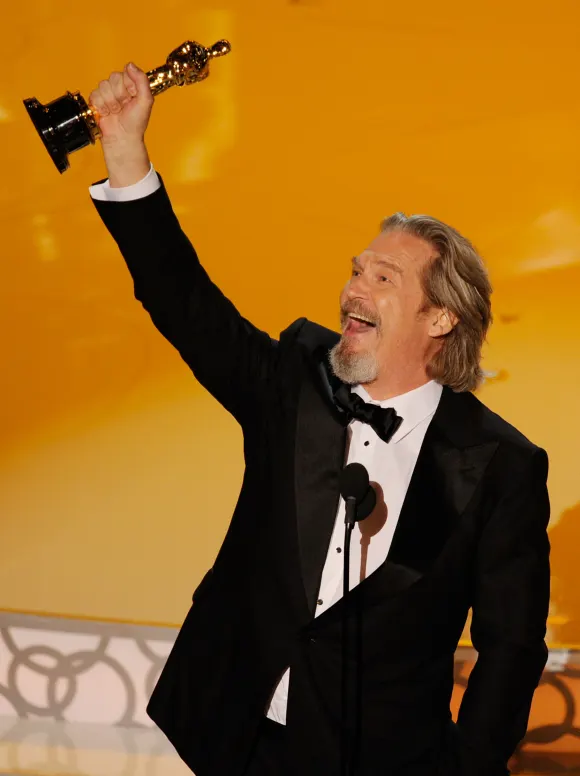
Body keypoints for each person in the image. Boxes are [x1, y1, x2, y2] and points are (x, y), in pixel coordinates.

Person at [87, 62, 550, 776]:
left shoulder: (500, 466)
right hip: (233, 740)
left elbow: (511, 646)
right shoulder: (295, 383)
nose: (352, 289)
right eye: (356, 270)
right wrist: (125, 152)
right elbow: (182, 301)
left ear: (439, 317)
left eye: (382, 279)